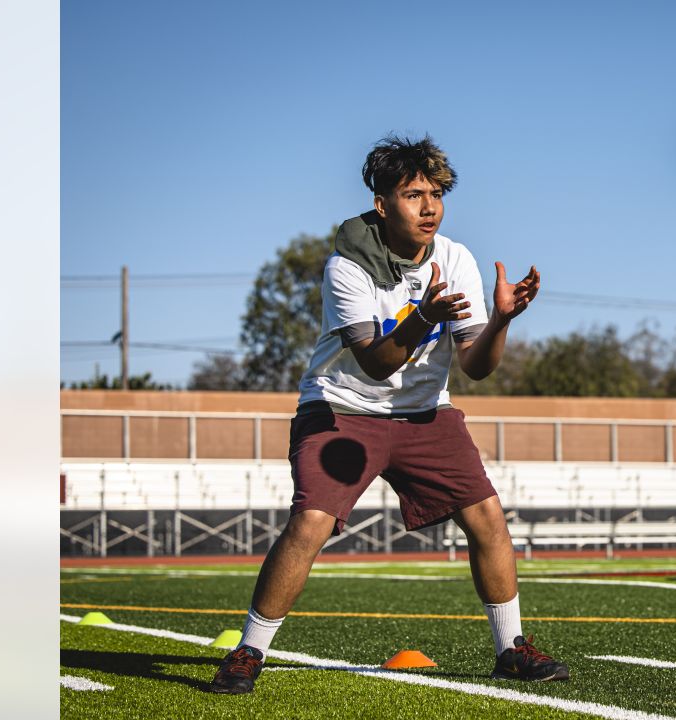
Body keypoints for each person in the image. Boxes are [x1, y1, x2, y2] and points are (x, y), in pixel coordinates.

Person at [211, 135, 568, 694]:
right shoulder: (346, 266)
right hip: (341, 408)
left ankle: (511, 649)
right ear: (382, 204)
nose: (429, 207)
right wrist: (423, 316)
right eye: (412, 195)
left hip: (424, 413)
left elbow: (475, 367)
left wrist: (500, 321)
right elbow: (377, 364)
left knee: (488, 519)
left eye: (436, 194)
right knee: (311, 523)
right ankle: (248, 652)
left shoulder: (455, 258)